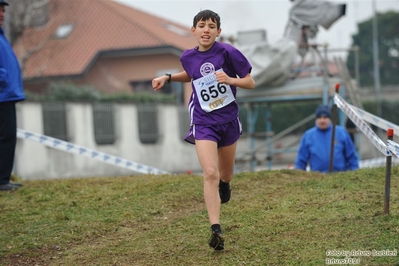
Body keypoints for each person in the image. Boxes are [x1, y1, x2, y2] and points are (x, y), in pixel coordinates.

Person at [152, 10, 255, 251]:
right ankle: (216, 229)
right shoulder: (187, 56)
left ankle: (225, 184)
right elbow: (192, 75)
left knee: (225, 174)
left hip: (228, 120)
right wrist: (167, 77)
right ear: (194, 30)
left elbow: (250, 81)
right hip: (203, 121)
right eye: (201, 25)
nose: (206, 29)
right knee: (210, 172)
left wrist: (231, 80)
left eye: (211, 26)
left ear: (218, 31)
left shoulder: (228, 51)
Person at [0, 0, 26, 191]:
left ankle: (3, 179)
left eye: (2, 11)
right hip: (2, 94)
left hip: (6, 94)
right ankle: (2, 181)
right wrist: (4, 80)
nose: (2, 14)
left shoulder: (1, 36)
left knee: (7, 137)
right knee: (5, 137)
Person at [294, 105, 359, 173]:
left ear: (330, 119)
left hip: (339, 178)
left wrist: (354, 175)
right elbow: (301, 161)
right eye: (319, 117)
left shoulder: (341, 133)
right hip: (317, 179)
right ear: (316, 119)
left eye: (325, 117)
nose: (322, 120)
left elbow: (352, 157)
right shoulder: (308, 136)